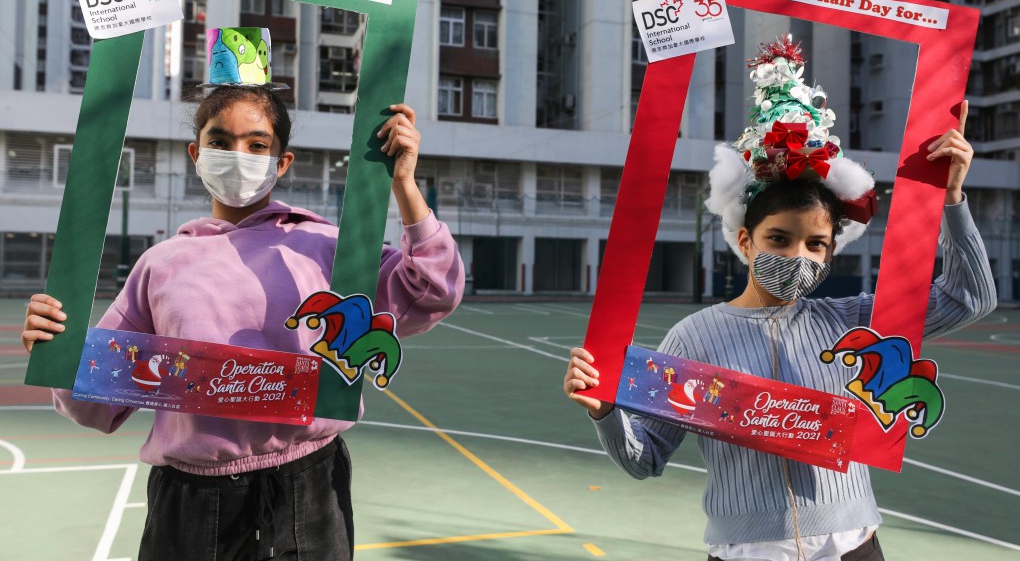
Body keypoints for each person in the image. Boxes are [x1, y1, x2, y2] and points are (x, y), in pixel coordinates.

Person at [563, 38, 997, 561]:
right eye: (778, 239)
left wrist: (951, 200)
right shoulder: (693, 338)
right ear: (745, 240)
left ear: (832, 251)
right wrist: (605, 412)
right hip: (745, 552)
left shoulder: (859, 321)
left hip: (854, 546)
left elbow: (969, 296)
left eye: (816, 244)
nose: (797, 255)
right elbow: (645, 458)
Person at [23, 84, 465, 560]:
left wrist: (404, 184)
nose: (238, 156)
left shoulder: (328, 247)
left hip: (310, 489)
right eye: (219, 141)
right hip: (190, 504)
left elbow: (433, 290)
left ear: (282, 163)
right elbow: (93, 403)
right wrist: (60, 350)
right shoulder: (160, 265)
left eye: (257, 145)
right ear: (196, 153)